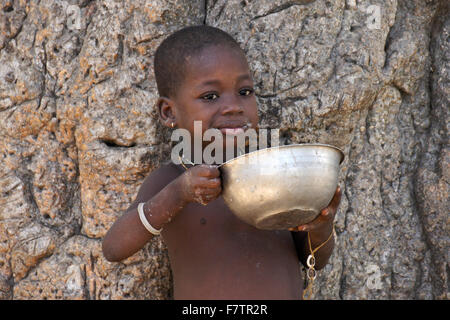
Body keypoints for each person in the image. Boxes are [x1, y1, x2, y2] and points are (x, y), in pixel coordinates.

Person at [102, 25, 341, 300]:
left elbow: (314, 259)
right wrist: (179, 194)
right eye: (210, 97)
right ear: (169, 112)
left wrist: (321, 223)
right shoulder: (171, 179)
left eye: (245, 92)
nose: (234, 106)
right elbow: (114, 248)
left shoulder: (276, 176)